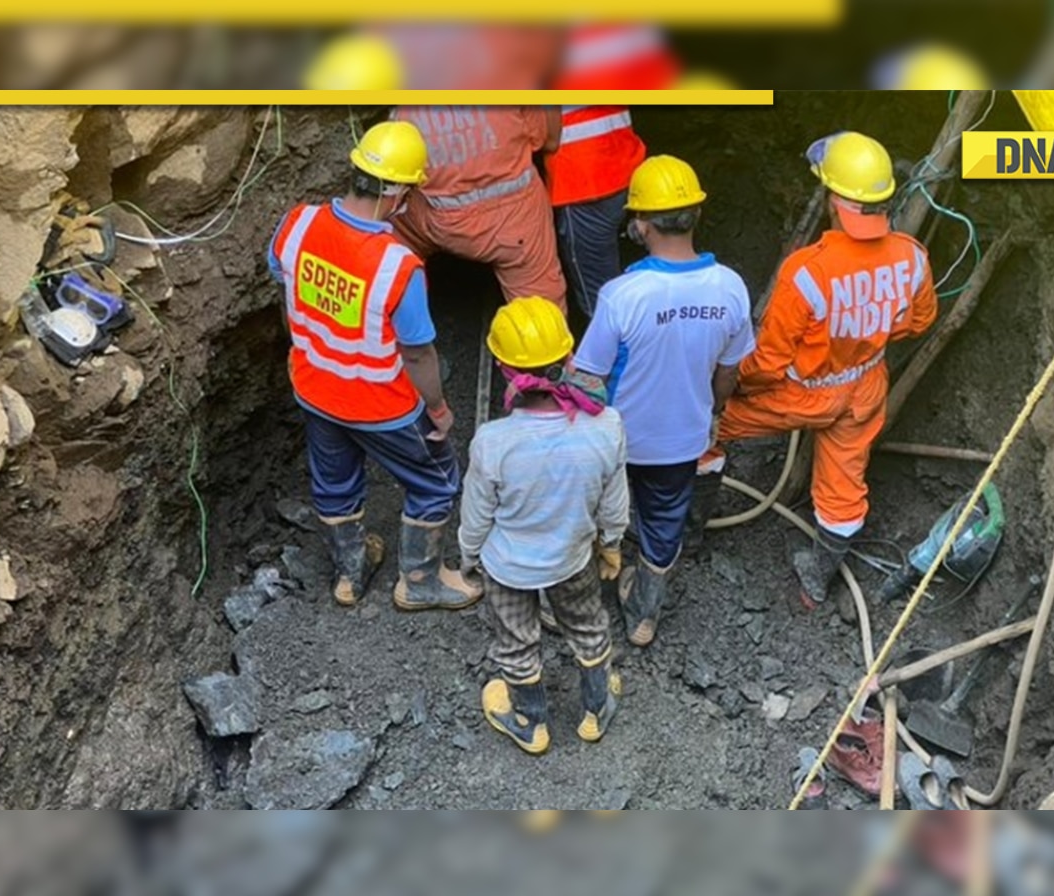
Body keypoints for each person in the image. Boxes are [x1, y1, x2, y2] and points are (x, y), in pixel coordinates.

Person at [703, 131, 938, 611]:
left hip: (797, 392)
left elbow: (768, 363)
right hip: (865, 387)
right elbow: (919, 321)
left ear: (835, 199)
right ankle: (815, 585)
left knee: (700, 431)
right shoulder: (912, 256)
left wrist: (725, 385)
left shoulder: (806, 271)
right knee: (843, 490)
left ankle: (688, 535)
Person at [267, 120, 482, 613]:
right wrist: (438, 408)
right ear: (399, 192)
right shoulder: (396, 266)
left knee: (334, 480)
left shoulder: (297, 224)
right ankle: (421, 582)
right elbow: (418, 353)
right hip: (380, 404)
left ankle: (351, 571)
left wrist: (302, 348)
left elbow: (287, 294)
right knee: (436, 482)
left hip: (315, 387)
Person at [573, 156, 755, 648]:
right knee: (662, 525)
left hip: (616, 439)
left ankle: (581, 600)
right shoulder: (731, 288)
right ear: (695, 215)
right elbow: (728, 371)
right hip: (681, 441)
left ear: (641, 224)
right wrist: (713, 412)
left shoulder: (622, 294)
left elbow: (587, 376)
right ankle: (643, 616)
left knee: (594, 513)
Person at [459, 297, 629, 755]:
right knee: (589, 626)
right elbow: (614, 501)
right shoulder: (606, 426)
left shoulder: (492, 442)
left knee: (515, 642)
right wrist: (611, 543)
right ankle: (596, 708)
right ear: (569, 359)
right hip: (572, 559)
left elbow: (476, 515)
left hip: (508, 568)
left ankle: (530, 722)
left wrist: (469, 556)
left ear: (502, 368)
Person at [387, 105, 569, 313]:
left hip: (431, 219)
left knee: (388, 245)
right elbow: (549, 141)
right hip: (513, 224)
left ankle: (398, 312)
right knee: (543, 312)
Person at [544, 105, 647, 319]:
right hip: (626, 161)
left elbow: (539, 133)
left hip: (582, 178)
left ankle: (615, 341)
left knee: (600, 293)